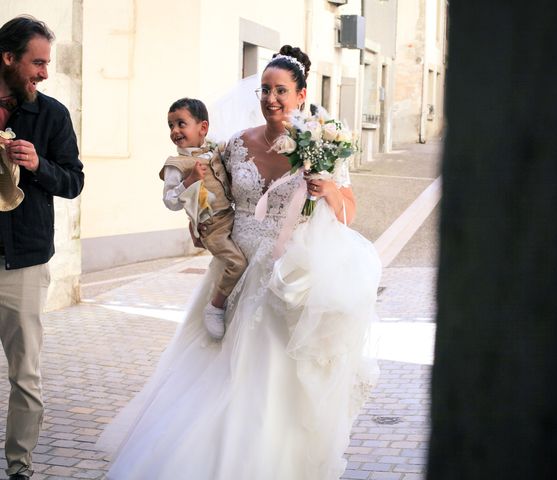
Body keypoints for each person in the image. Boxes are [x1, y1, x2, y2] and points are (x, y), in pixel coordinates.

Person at [98, 45, 380, 480]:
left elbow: (349, 211)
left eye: (281, 91)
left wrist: (327, 190)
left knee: (274, 376)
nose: (271, 98)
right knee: (216, 369)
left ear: (301, 96)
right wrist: (197, 219)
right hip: (235, 266)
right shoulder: (236, 144)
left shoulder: (323, 145)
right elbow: (215, 193)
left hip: (288, 270)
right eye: (265, 90)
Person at [0, 15, 84, 480]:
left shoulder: (52, 115)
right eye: (37, 62)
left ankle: (19, 469)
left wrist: (38, 166)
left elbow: (74, 181)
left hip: (24, 264)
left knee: (25, 379)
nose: (44, 73)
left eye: (47, 63)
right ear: (8, 59)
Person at [160, 97, 247, 339]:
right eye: (170, 125)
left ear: (203, 128)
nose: (175, 131)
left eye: (181, 123)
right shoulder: (176, 165)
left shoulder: (213, 150)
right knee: (236, 263)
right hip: (212, 226)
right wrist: (189, 182)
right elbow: (169, 201)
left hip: (232, 215)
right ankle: (215, 306)